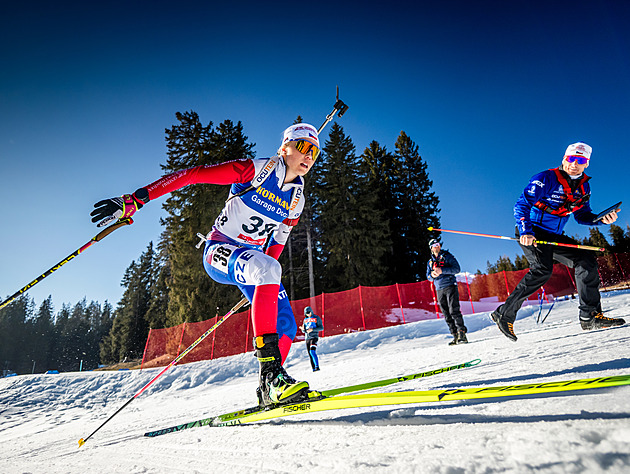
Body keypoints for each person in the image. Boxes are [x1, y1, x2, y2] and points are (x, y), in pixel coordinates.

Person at [90, 123, 322, 406]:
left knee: (285, 324)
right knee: (268, 270)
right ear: (284, 148)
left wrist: (262, 287)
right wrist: (137, 199)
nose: (309, 155)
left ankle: (271, 384)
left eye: (315, 151)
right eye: (303, 147)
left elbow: (276, 243)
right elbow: (194, 175)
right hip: (219, 251)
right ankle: (271, 378)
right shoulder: (258, 170)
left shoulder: (296, 198)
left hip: (252, 263)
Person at [491, 142, 625, 341]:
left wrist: (600, 220)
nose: (574, 164)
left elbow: (582, 215)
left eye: (580, 160)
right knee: (542, 269)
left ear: (586, 164)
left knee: (585, 260)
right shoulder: (546, 179)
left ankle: (589, 316)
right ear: (564, 158)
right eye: (571, 158)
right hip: (533, 230)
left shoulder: (584, 186)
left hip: (553, 235)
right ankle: (505, 313)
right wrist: (526, 231)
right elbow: (521, 205)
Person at [426, 239, 468, 345]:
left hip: (450, 285)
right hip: (439, 288)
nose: (436, 246)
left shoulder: (447, 256)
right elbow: (428, 277)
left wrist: (442, 270)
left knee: (454, 310)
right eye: (434, 245)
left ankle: (461, 333)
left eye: (438, 244)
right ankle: (455, 335)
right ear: (431, 248)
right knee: (446, 313)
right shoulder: (430, 262)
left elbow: (457, 269)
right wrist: (432, 275)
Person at [301, 306, 324, 371]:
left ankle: (317, 366)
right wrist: (303, 330)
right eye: (306, 313)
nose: (308, 314)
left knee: (312, 351)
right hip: (307, 338)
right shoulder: (305, 320)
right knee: (310, 354)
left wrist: (313, 329)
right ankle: (313, 368)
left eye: (309, 312)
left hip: (314, 337)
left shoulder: (316, 318)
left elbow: (321, 328)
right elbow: (305, 330)